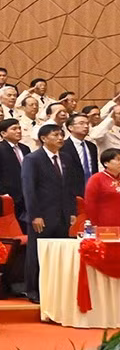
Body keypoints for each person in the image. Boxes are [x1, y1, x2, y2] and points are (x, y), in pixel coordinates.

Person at [21, 123, 75, 297]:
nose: (60, 138)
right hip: (41, 215)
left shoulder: (66, 158)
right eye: (55, 135)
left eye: (61, 135)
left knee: (59, 254)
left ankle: (56, 291)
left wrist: (72, 211)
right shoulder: (33, 159)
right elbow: (29, 189)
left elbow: (69, 188)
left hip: (62, 215)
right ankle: (34, 290)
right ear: (44, 138)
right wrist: (34, 215)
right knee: (37, 254)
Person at [82, 149, 120, 230]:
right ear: (106, 163)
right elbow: (90, 203)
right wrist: (94, 223)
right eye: (118, 159)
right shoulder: (96, 179)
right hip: (105, 224)